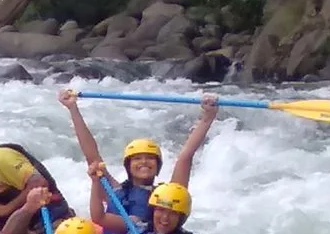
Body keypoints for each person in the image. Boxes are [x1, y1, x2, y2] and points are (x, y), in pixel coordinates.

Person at [60, 87, 217, 224]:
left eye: (150, 158)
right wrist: (73, 109)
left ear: (158, 166)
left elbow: (185, 157)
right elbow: (92, 156)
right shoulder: (115, 191)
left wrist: (207, 118)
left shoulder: (169, 195)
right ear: (128, 166)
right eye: (137, 158)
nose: (144, 162)